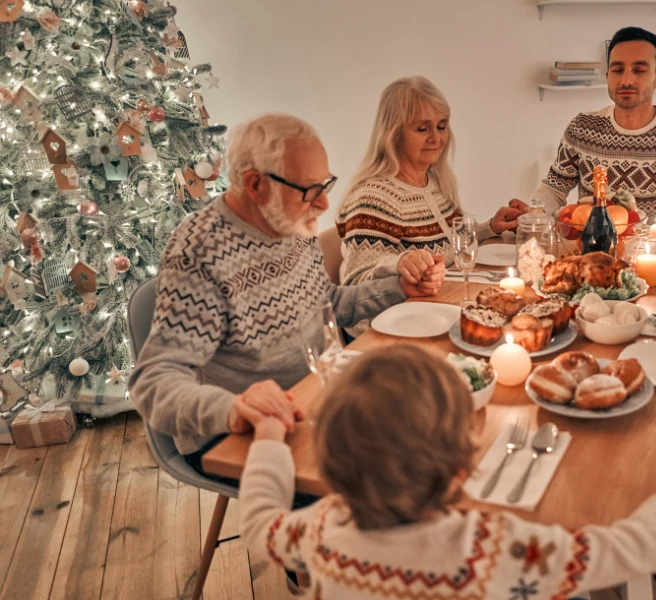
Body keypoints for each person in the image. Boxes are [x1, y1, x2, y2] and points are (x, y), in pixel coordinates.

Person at [239, 345, 656, 599]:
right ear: (462, 470)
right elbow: (639, 546)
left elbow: (260, 525)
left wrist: (267, 439)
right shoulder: (491, 550)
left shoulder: (318, 530)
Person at [129, 114, 445, 473]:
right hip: (245, 432)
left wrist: (398, 288)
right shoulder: (200, 252)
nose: (325, 204)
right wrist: (232, 409)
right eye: (310, 189)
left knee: (435, 424)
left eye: (325, 184)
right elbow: (155, 381)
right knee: (400, 478)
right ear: (255, 184)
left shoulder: (290, 224)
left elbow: (328, 306)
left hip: (320, 394)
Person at [510, 26, 656, 245]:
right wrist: (534, 210)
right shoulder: (582, 128)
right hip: (593, 253)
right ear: (608, 76)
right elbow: (554, 187)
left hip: (653, 256)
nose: (626, 80)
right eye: (618, 70)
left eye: (639, 70)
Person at [337, 76, 522, 293]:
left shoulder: (434, 181)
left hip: (441, 297)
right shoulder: (374, 198)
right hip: (399, 319)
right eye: (423, 129)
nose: (437, 138)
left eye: (441, 127)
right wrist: (399, 264)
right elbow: (354, 285)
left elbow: (448, 247)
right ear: (394, 135)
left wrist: (489, 227)